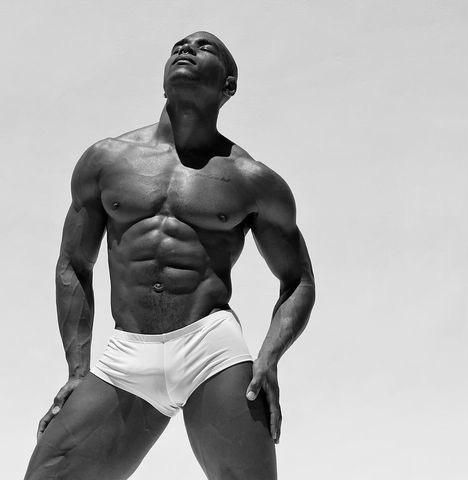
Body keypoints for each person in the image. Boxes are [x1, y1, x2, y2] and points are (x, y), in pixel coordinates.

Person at [24, 31, 315, 480]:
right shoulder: (107, 160)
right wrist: (77, 370)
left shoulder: (251, 179)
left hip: (210, 349)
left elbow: (298, 281)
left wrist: (269, 357)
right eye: (179, 46)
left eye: (205, 47)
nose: (186, 49)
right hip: (128, 354)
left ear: (228, 86)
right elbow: (74, 265)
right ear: (163, 83)